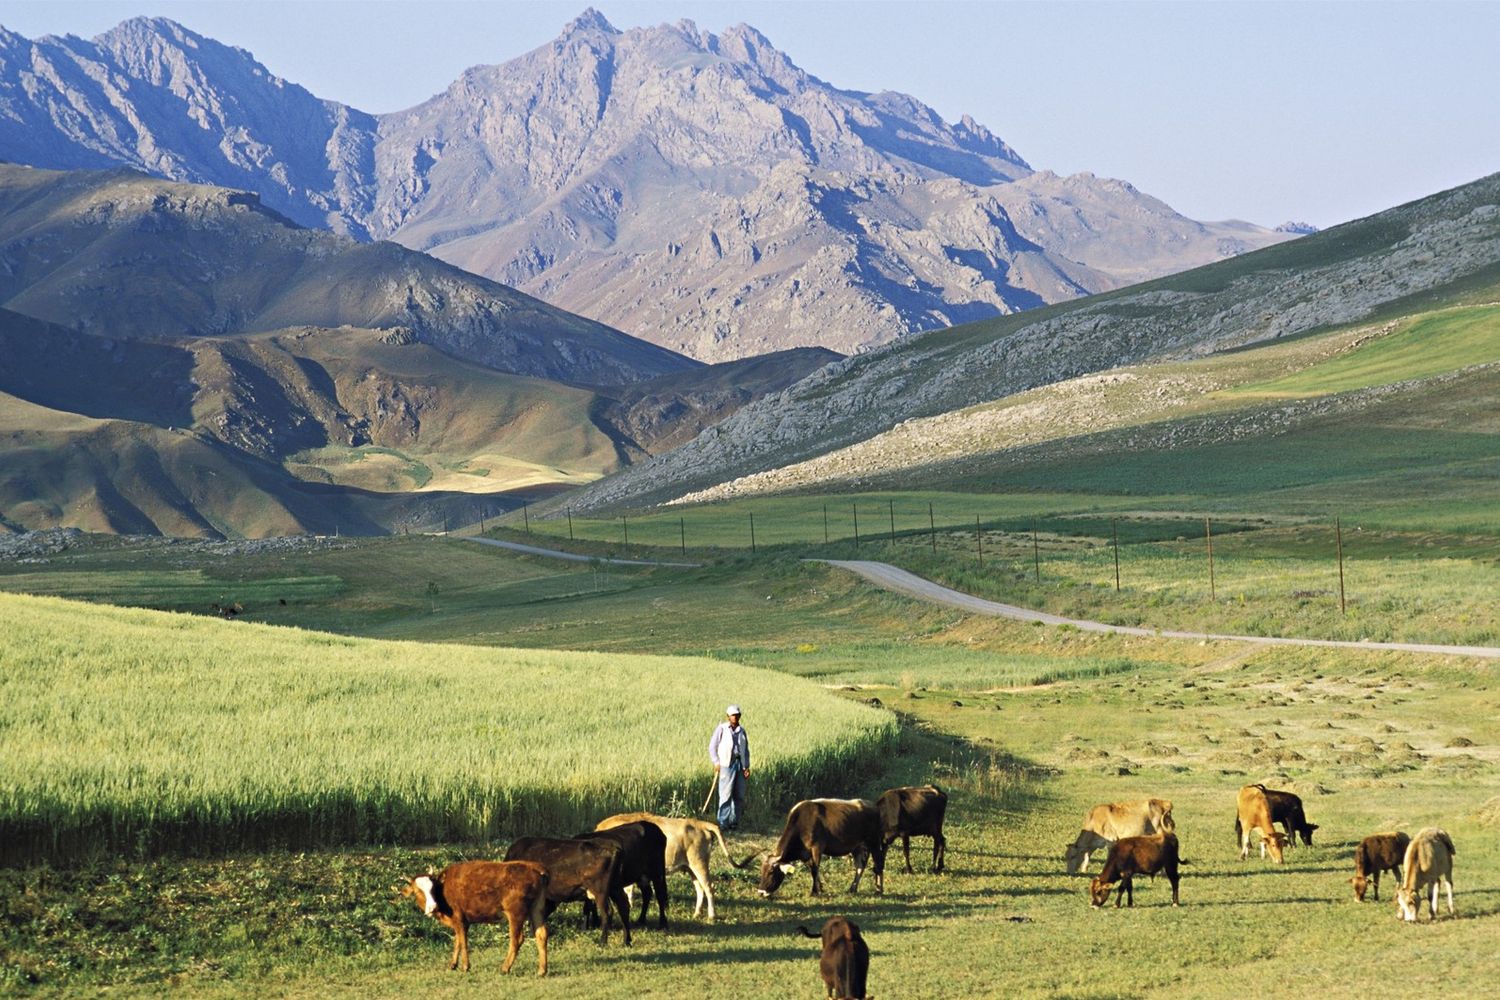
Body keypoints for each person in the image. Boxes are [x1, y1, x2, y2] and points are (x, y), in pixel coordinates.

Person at [708, 704, 750, 831]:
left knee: (739, 795)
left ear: (740, 716)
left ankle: (734, 822)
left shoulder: (742, 731)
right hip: (727, 765)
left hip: (739, 764)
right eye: (732, 715)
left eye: (737, 715)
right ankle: (723, 823)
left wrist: (746, 766)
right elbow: (712, 747)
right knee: (725, 795)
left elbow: (745, 750)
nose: (735, 717)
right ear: (728, 716)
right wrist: (716, 762)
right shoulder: (722, 729)